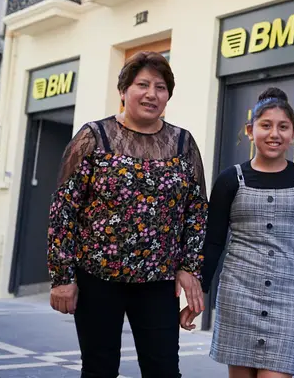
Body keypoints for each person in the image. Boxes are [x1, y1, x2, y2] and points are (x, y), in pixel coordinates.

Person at [47, 51, 208, 378]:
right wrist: (62, 277)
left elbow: (197, 210)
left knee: (163, 369)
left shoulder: (183, 143)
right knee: (99, 368)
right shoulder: (94, 137)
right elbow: (64, 207)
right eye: (142, 84)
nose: (152, 94)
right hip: (98, 278)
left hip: (158, 280)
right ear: (123, 91)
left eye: (161, 87)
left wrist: (190, 267)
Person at [182, 88, 294, 378]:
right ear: (251, 131)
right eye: (266, 125)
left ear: (292, 134)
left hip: (289, 299)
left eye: (283, 127)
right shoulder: (230, 180)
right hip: (238, 295)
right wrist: (200, 292)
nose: (274, 134)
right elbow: (213, 242)